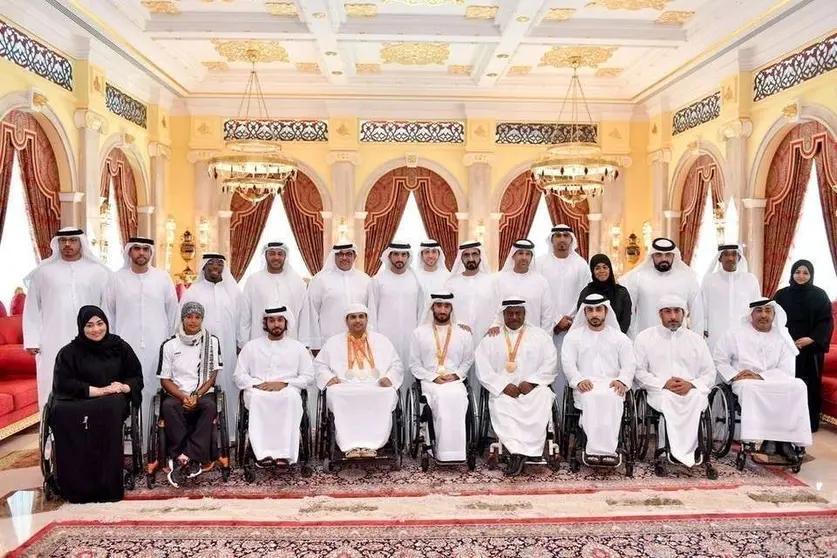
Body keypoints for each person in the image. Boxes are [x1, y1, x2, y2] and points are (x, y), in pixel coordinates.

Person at [50, 306, 143, 503]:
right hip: (78, 400)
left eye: (100, 324)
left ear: (106, 324)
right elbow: (63, 384)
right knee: (61, 412)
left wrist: (124, 387)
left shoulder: (120, 347)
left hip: (112, 401)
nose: (96, 329)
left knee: (110, 409)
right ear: (81, 328)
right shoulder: (68, 353)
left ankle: (106, 485)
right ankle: (75, 486)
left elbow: (136, 376)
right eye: (89, 325)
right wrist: (98, 390)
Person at [23, 227, 111, 410]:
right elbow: (31, 307)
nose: (68, 244)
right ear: (57, 244)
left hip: (91, 338)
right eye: (63, 241)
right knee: (51, 382)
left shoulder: (99, 272)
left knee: (91, 381)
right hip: (53, 337)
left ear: (81, 242)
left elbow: (107, 307)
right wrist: (32, 340)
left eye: (72, 240)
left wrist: (108, 337)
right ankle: (52, 432)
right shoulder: (44, 272)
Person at [713, 298, 812, 459]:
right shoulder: (735, 334)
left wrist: (760, 376)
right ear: (751, 314)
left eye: (768, 311)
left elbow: (787, 368)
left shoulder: (782, 336)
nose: (763, 315)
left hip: (774, 379)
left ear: (774, 314)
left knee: (798, 386)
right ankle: (755, 439)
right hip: (744, 381)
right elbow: (720, 359)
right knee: (751, 387)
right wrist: (734, 375)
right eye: (759, 311)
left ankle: (785, 440)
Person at [475, 298, 558, 477]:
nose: (514, 317)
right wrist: (503, 385)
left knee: (544, 395)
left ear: (524, 314)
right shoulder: (492, 337)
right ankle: (516, 452)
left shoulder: (540, 335)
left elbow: (550, 362)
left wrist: (533, 382)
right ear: (503, 314)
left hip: (533, 389)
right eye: (510, 313)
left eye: (518, 313)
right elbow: (483, 368)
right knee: (501, 403)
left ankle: (529, 451)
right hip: (504, 391)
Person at [103, 237, 179, 426]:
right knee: (127, 387)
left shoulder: (162, 278)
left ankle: (157, 438)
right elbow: (107, 313)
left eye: (145, 249)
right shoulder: (116, 279)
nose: (141, 253)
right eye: (136, 248)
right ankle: (130, 439)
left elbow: (173, 312)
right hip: (124, 345)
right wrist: (109, 343)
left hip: (158, 344)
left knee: (156, 387)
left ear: (151, 253)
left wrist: (171, 342)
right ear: (129, 252)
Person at [633, 295, 715, 467]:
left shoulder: (696, 340)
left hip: (692, 390)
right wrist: (663, 383)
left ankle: (692, 451)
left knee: (695, 399)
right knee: (669, 400)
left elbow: (708, 372)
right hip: (659, 391)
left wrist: (691, 384)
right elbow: (638, 372)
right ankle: (670, 450)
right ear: (660, 314)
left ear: (683, 314)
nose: (673, 316)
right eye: (667, 311)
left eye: (677, 311)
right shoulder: (645, 338)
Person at [314, 304, 403, 458]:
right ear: (346, 321)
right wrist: (329, 378)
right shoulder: (334, 342)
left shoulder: (381, 340)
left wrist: (390, 378)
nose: (357, 321)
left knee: (387, 394)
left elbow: (396, 364)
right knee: (335, 393)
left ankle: (374, 444)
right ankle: (349, 445)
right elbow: (319, 364)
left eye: (361, 316)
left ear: (367, 319)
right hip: (344, 386)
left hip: (376, 385)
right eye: (353, 317)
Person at [234, 306, 314, 467]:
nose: (276, 324)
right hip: (257, 391)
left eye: (279, 320)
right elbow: (239, 376)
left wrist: (285, 383)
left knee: (291, 398)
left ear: (286, 323)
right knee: (257, 399)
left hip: (288, 390)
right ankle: (262, 454)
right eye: (271, 320)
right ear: (265, 323)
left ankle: (285, 454)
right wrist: (257, 385)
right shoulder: (251, 347)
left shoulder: (297, 347)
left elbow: (308, 376)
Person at [561, 294, 635, 461]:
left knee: (612, 397)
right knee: (592, 397)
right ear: (585, 313)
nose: (595, 314)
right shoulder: (573, 337)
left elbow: (629, 364)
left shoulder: (620, 338)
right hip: (585, 386)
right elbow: (568, 363)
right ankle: (593, 450)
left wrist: (622, 380)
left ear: (606, 311)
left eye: (598, 310)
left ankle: (609, 451)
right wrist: (578, 380)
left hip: (612, 385)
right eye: (590, 310)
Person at [157, 301, 223, 487]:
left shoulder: (212, 342)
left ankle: (185, 457)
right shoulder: (169, 345)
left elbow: (212, 375)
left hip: (202, 392)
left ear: (202, 319)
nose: (193, 321)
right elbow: (165, 379)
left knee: (210, 406)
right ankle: (182, 454)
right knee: (168, 406)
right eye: (189, 316)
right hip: (176, 393)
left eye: (197, 317)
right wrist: (183, 397)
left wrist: (196, 395)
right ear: (183, 318)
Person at [180, 253, 243, 438]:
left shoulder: (233, 291)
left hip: (228, 349)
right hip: (198, 350)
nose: (215, 266)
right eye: (211, 263)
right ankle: (202, 435)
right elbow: (181, 321)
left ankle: (229, 434)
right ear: (204, 266)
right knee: (201, 388)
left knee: (229, 388)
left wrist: (240, 345)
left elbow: (242, 320)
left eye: (219, 263)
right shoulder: (193, 291)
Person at [408, 292, 474, 462]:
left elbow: (468, 361)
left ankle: (457, 453)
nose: (442, 310)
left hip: (455, 381)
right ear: (432, 308)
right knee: (442, 397)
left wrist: (456, 375)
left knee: (458, 396)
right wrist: (432, 377)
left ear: (452, 308)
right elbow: (414, 364)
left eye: (446, 306)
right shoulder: (419, 333)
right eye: (438, 306)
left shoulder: (463, 334)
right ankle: (438, 449)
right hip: (430, 381)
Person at [774, 259, 834, 432]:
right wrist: (786, 339)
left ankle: (808, 424)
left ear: (811, 275)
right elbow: (774, 320)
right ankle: (783, 423)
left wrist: (811, 338)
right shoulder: (781, 295)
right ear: (792, 273)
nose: (801, 276)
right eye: (797, 272)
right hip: (784, 349)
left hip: (810, 351)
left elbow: (826, 321)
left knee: (809, 386)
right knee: (784, 384)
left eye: (805, 272)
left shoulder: (820, 295)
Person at [534, 225, 589, 401]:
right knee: (550, 368)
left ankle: (572, 417)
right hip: (548, 327)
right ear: (551, 239)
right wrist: (557, 320)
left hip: (575, 326)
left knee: (575, 367)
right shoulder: (540, 263)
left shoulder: (581, 265)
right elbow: (540, 296)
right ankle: (552, 416)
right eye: (558, 235)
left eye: (566, 235)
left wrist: (572, 320)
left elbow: (585, 295)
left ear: (571, 239)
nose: (562, 239)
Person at [367, 241, 426, 382]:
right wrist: (374, 337)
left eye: (403, 255)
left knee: (409, 370)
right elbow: (372, 310)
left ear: (408, 257)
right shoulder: (377, 280)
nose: (400, 258)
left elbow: (421, 310)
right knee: (387, 369)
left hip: (410, 336)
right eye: (396, 254)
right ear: (389, 256)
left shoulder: (416, 280)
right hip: (385, 336)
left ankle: (408, 403)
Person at [623, 237, 704, 339]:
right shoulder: (638, 278)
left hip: (678, 341)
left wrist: (697, 340)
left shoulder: (688, 278)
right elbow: (629, 313)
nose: (663, 259)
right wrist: (631, 340)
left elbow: (697, 313)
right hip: (647, 341)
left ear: (674, 256)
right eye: (659, 255)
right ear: (652, 256)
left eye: (668, 255)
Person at [299, 243, 371, 354]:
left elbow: (370, 312)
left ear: (354, 256)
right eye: (340, 254)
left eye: (348, 254)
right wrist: (315, 344)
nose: (344, 258)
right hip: (328, 341)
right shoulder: (320, 280)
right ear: (334, 256)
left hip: (360, 340)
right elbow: (311, 313)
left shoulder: (365, 280)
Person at [239, 241, 307, 343]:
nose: (276, 257)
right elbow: (245, 314)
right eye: (272, 253)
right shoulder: (253, 280)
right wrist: (243, 342)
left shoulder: (297, 282)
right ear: (265, 256)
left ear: (285, 257)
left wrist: (305, 343)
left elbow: (304, 315)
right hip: (259, 341)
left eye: (280, 254)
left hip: (290, 342)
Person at [701, 244, 761, 349]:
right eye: (726, 255)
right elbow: (703, 306)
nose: (730, 258)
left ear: (739, 258)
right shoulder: (709, 280)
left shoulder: (750, 280)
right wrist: (704, 327)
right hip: (716, 332)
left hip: (744, 333)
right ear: (719, 258)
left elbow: (756, 308)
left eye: (734, 254)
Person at [444, 240, 500, 345]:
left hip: (487, 336)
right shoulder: (451, 283)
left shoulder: (491, 281)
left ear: (480, 256)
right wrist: (457, 323)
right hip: (458, 336)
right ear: (461, 258)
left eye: (474, 254)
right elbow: (445, 308)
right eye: (466, 255)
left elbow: (499, 307)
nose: (470, 258)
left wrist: (495, 324)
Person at [494, 239, 555, 331]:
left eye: (528, 254)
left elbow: (547, 314)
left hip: (533, 336)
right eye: (520, 253)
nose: (524, 257)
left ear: (531, 257)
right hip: (504, 336)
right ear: (513, 256)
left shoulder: (541, 281)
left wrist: (543, 337)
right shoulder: (499, 279)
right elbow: (493, 308)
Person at [576, 254, 632, 334]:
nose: (601, 271)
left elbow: (625, 319)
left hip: (616, 340)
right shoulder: (586, 292)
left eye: (605, 267)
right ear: (592, 271)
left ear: (610, 269)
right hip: (591, 339)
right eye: (597, 268)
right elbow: (581, 318)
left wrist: (616, 339)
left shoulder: (621, 292)